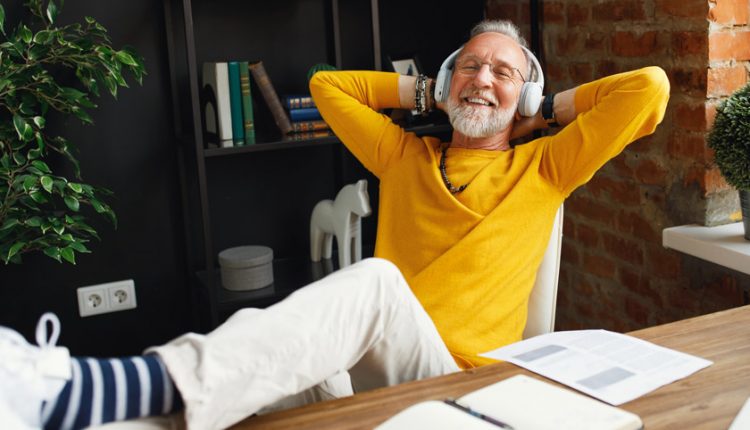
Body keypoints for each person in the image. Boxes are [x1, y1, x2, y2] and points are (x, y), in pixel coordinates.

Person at [0, 19, 669, 430]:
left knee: (374, 281)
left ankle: (88, 388)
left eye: (502, 72)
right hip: (368, 367)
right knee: (252, 352)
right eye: (468, 65)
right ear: (443, 82)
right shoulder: (405, 155)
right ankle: (73, 404)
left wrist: (544, 105)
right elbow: (328, 87)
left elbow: (650, 90)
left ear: (522, 93)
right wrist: (421, 92)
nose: (481, 78)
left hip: (456, 376)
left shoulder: (547, 166)